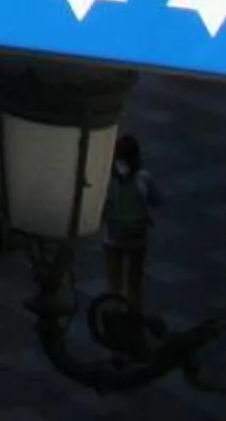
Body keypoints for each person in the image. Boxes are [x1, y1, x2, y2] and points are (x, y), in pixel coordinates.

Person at [100, 133, 155, 324]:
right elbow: (157, 200)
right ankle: (133, 316)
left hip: (113, 235)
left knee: (112, 280)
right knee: (134, 280)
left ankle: (112, 315)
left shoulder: (108, 178)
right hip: (136, 236)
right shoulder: (143, 177)